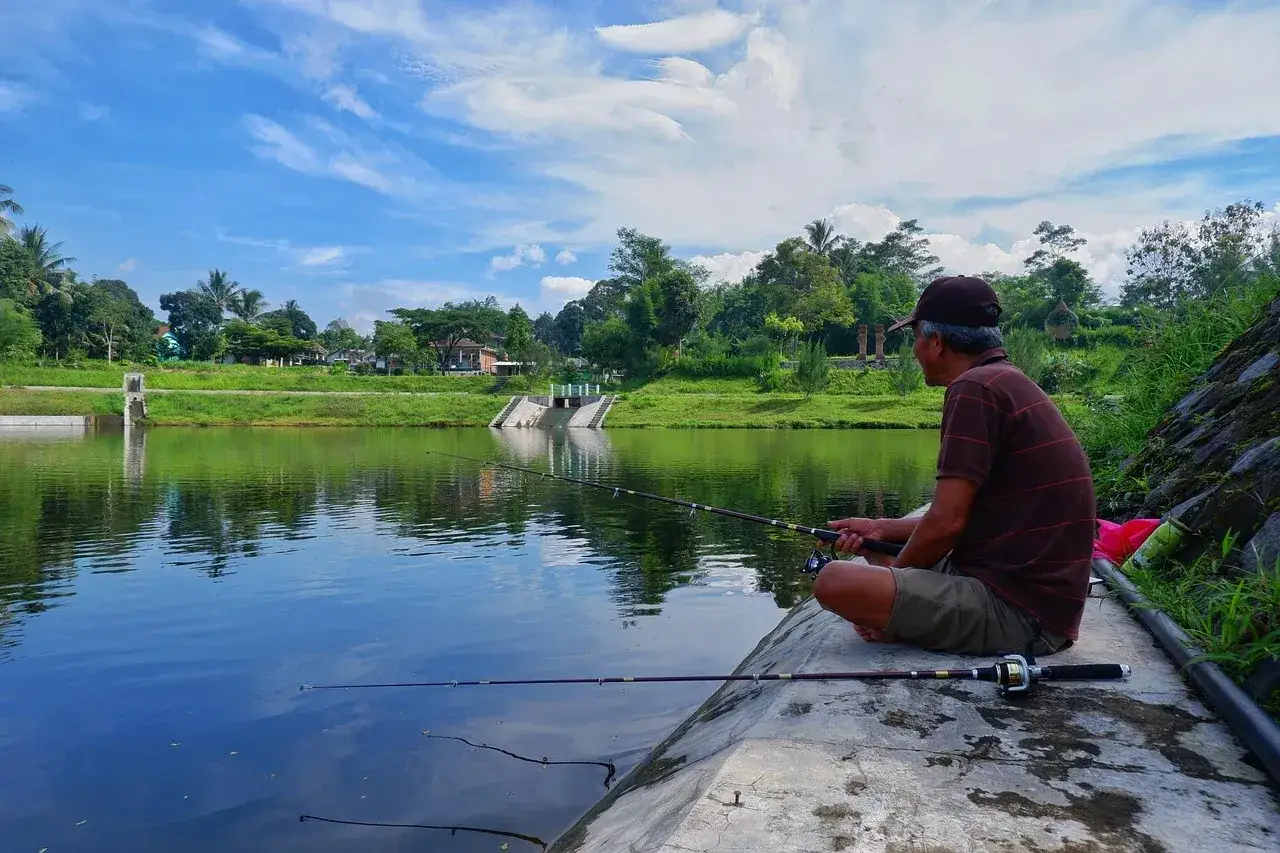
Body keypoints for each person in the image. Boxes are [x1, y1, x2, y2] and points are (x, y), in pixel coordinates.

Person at [813, 275, 1095, 657]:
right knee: (879, 550)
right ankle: (896, 596)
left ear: (937, 342)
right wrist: (882, 529)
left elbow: (947, 523)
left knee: (834, 581)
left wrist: (895, 581)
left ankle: (897, 618)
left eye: (915, 338)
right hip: (1029, 597)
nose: (914, 350)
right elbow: (970, 518)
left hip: (1021, 614)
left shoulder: (973, 390)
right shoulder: (1003, 380)